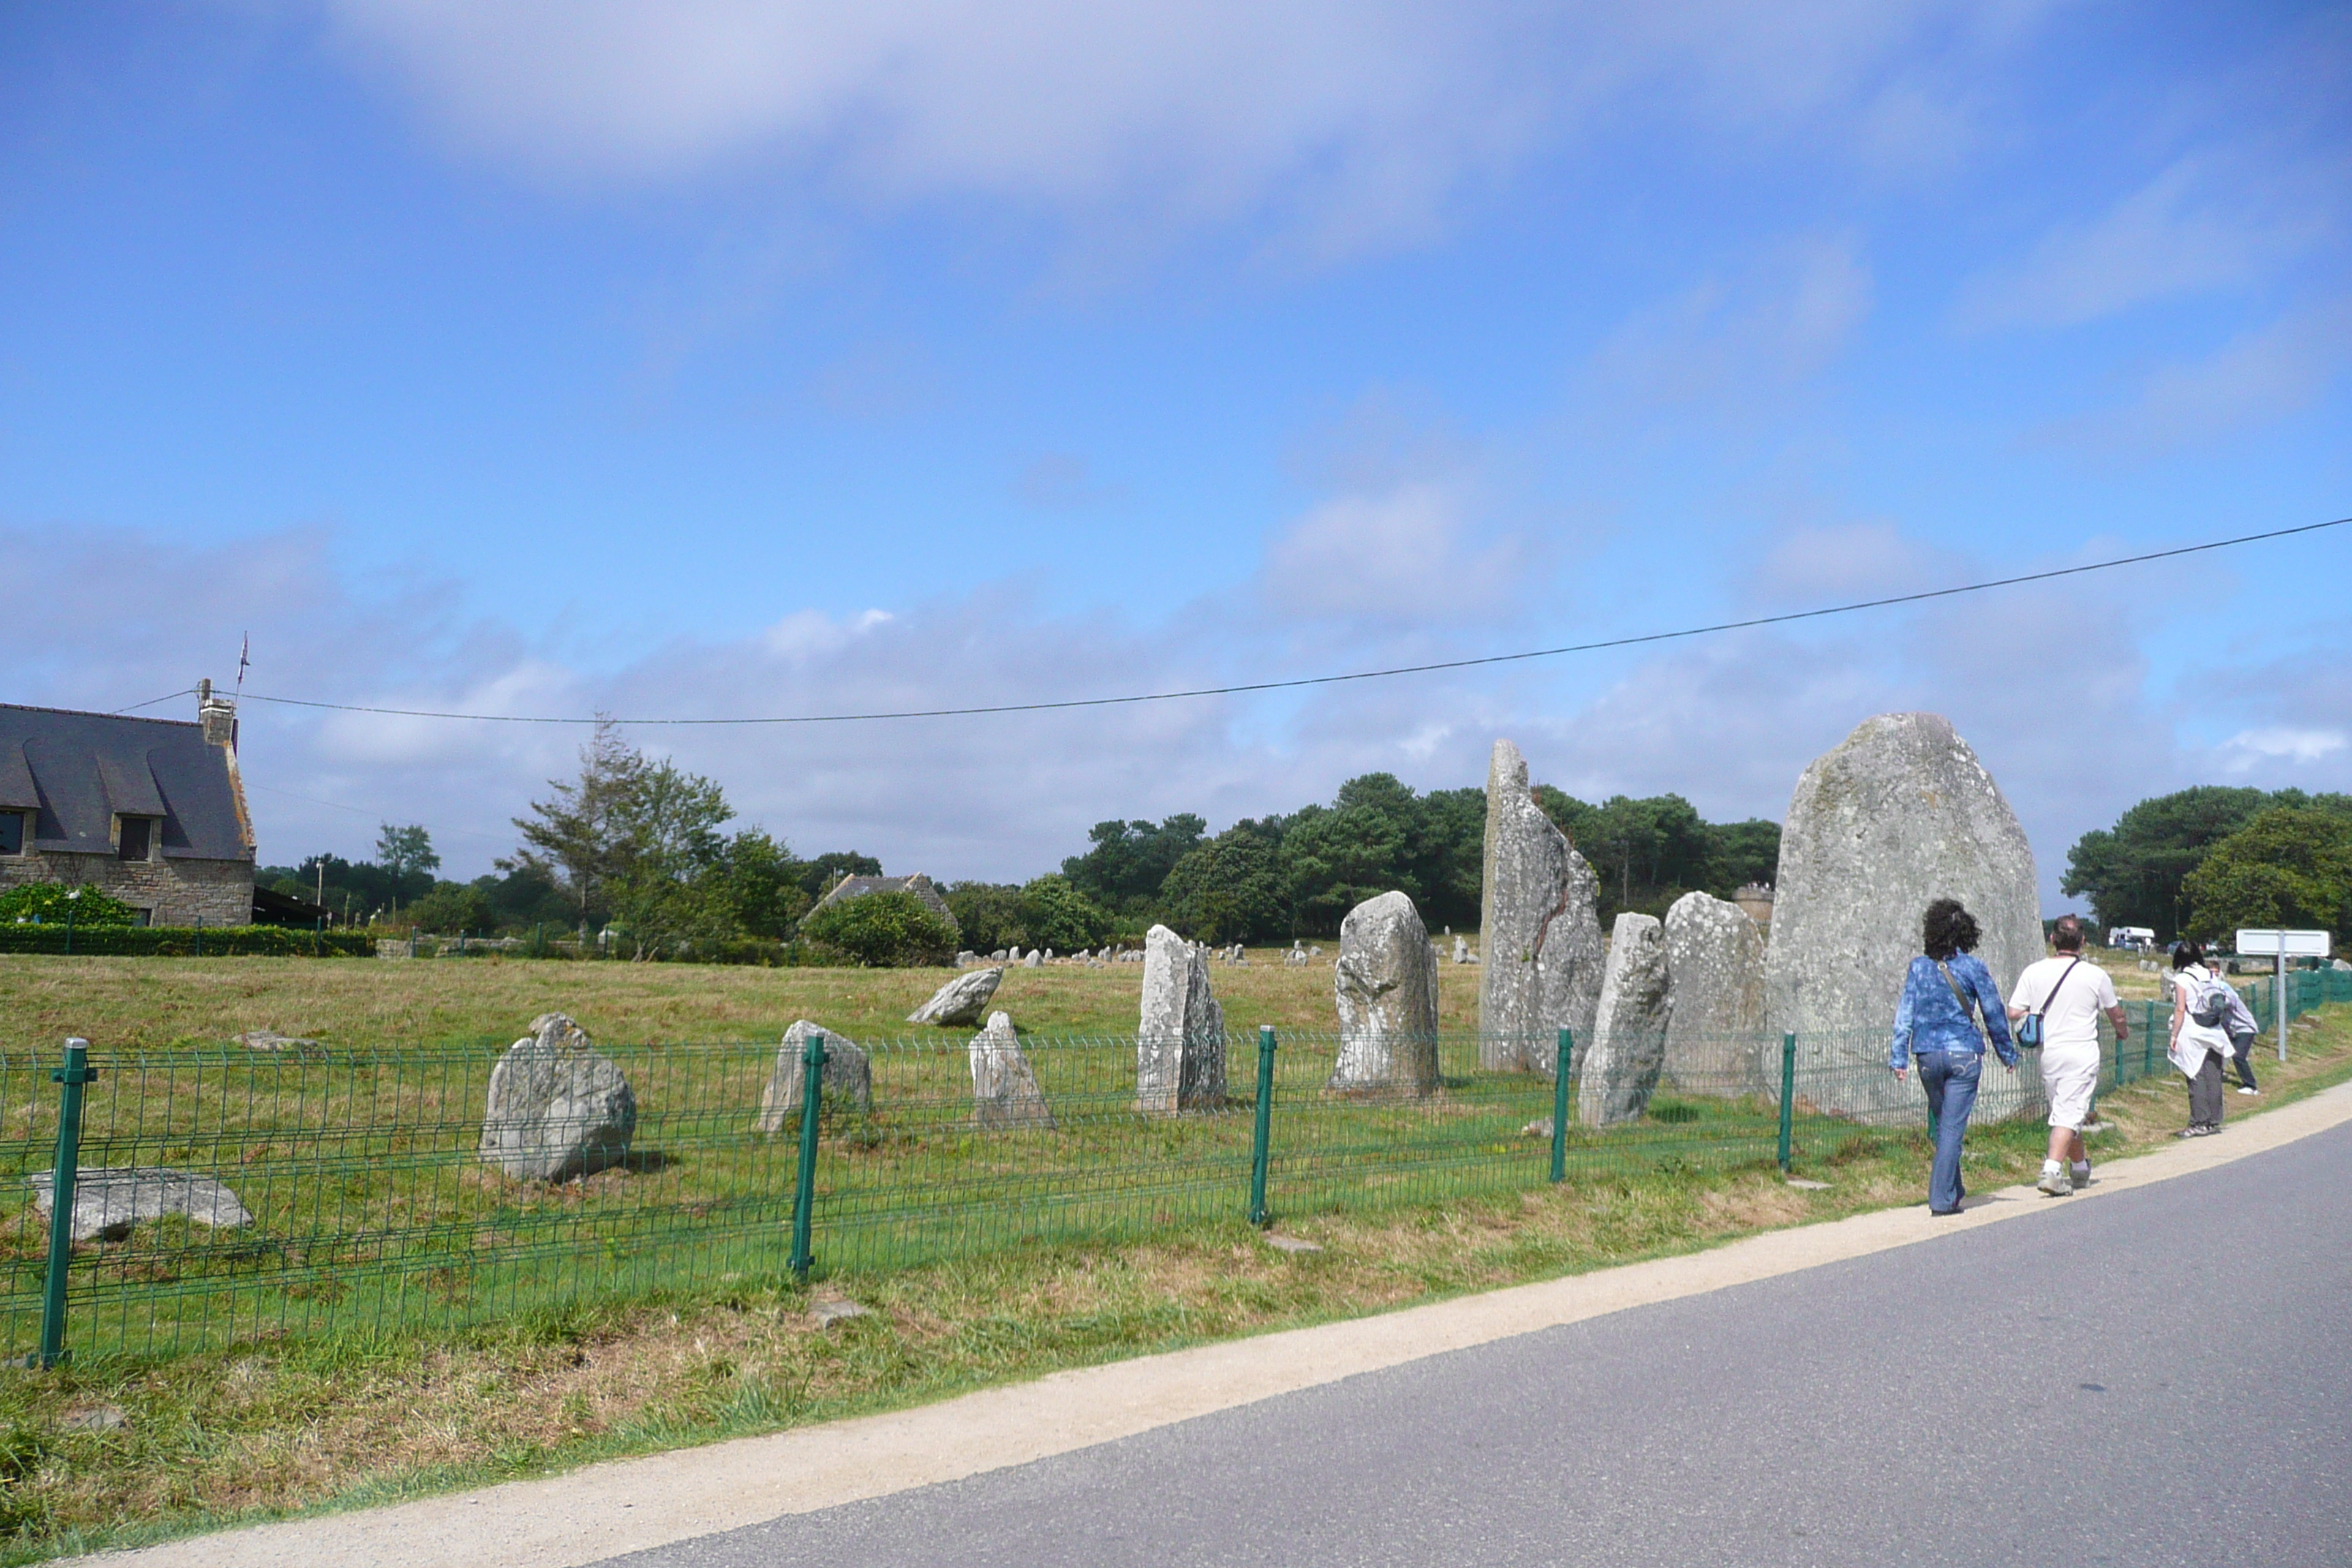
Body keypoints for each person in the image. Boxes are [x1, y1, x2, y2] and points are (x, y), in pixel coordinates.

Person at [1891, 898, 2019, 1215]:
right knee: (1952, 1129)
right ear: (1966, 932)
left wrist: (1899, 1057)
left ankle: (1953, 1188)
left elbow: (1904, 1015)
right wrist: (2007, 1054)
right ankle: (1941, 1200)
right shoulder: (1973, 968)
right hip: (1964, 1053)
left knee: (1944, 1126)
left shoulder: (1919, 967)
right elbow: (1994, 1014)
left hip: (1927, 1055)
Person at [2008, 915, 2127, 1196]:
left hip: (2049, 1052)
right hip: (2081, 1051)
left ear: (2052, 939)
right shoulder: (2095, 975)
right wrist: (2122, 1031)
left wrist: (2035, 1015)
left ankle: (2080, 1167)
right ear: (2083, 942)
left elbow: (2014, 1011)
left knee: (2066, 1111)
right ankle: (2051, 1171)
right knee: (2068, 1114)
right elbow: (2116, 1013)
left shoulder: (2033, 972)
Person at [2167, 941, 2231, 1137]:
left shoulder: (2182, 979)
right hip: (2214, 1029)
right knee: (2213, 1076)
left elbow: (2180, 1009)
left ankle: (2198, 1122)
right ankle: (2213, 1121)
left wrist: (2174, 1035)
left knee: (2195, 1075)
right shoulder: (2211, 975)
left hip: (2192, 1029)